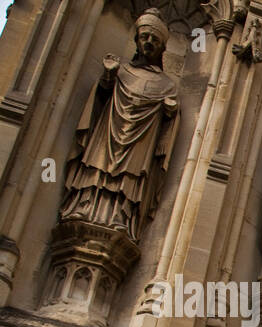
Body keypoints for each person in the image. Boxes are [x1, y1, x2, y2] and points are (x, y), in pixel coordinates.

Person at [60, 9, 179, 242]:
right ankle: (83, 206)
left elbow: (168, 129)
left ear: (163, 47)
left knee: (129, 181)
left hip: (139, 147)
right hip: (107, 136)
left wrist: (170, 111)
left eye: (154, 40)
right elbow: (100, 98)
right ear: (136, 40)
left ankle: (121, 217)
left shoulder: (166, 85)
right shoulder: (121, 71)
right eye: (144, 37)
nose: (148, 43)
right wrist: (108, 76)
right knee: (96, 168)